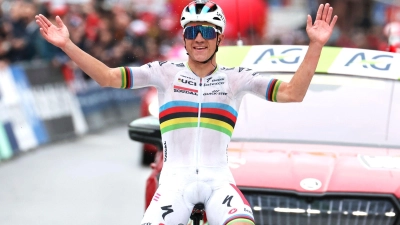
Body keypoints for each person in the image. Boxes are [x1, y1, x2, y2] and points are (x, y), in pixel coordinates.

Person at [35, 1, 337, 224]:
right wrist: (68, 45)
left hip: (219, 181)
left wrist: (316, 45)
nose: (199, 38)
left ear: (219, 37)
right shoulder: (164, 72)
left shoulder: (237, 78)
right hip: (175, 183)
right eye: (192, 31)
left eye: (207, 31)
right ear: (184, 37)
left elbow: (293, 93)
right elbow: (108, 77)